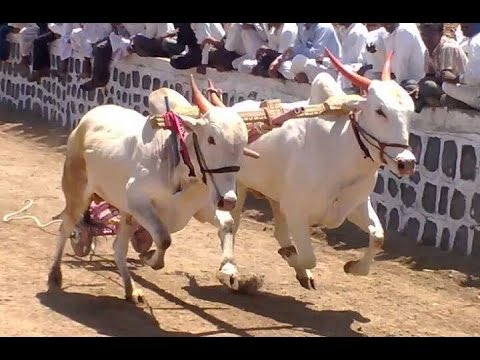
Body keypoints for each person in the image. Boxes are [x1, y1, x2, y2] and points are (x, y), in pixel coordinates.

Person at [414, 23, 468, 111]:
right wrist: (416, 87)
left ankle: (454, 102)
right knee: (410, 85)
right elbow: (429, 75)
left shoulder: (448, 47)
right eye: (423, 35)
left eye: (430, 34)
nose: (426, 38)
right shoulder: (428, 50)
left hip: (460, 88)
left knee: (428, 86)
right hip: (445, 86)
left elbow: (447, 76)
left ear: (440, 33)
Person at [442, 23, 480, 110]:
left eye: (466, 26)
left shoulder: (475, 42)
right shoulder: (472, 39)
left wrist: (456, 79)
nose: (462, 28)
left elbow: (476, 77)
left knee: (446, 86)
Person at [381, 23, 426, 88]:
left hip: (413, 83)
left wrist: (399, 89)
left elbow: (401, 63)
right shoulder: (394, 30)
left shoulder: (403, 31)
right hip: (406, 80)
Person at [335, 23, 368, 90]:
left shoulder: (358, 32)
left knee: (346, 70)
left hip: (354, 72)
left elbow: (359, 61)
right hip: (343, 70)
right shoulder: (343, 30)